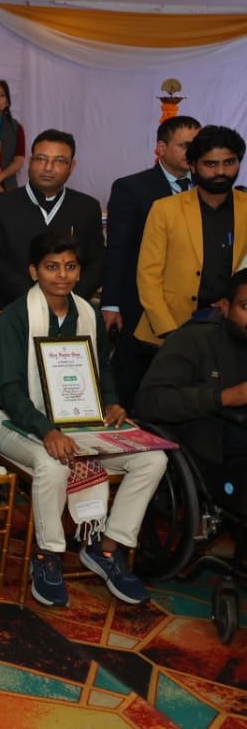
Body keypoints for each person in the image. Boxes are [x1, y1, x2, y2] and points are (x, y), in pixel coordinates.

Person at [0, 231, 166, 607]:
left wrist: (113, 404)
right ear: (34, 271)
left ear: (80, 272)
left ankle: (106, 549)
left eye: (70, 267)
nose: (62, 275)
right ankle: (48, 555)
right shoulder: (16, 316)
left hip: (81, 424)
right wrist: (46, 430)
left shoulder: (88, 313)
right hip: (14, 424)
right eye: (52, 267)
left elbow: (103, 372)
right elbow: (8, 389)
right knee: (54, 466)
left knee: (154, 459)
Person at [102, 116, 201, 406]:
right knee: (136, 384)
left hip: (191, 307)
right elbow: (117, 249)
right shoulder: (132, 188)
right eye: (185, 146)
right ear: (161, 147)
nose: (192, 153)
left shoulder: (206, 188)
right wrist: (111, 303)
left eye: (198, 146)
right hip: (140, 304)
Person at [136, 269, 247, 516]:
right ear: (226, 307)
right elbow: (150, 402)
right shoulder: (195, 339)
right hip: (210, 449)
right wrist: (223, 397)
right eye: (246, 306)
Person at [136, 125, 247, 348]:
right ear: (193, 166)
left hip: (231, 332)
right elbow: (148, 276)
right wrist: (170, 332)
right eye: (210, 164)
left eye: (229, 162)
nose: (221, 172)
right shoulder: (165, 209)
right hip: (167, 331)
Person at [0, 129, 105, 311]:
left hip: (71, 310)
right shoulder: (1, 205)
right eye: (41, 159)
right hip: (12, 309)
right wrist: (37, 300)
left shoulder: (87, 207)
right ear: (30, 162)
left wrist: (67, 299)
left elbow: (97, 262)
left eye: (59, 161)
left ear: (72, 166)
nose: (48, 168)